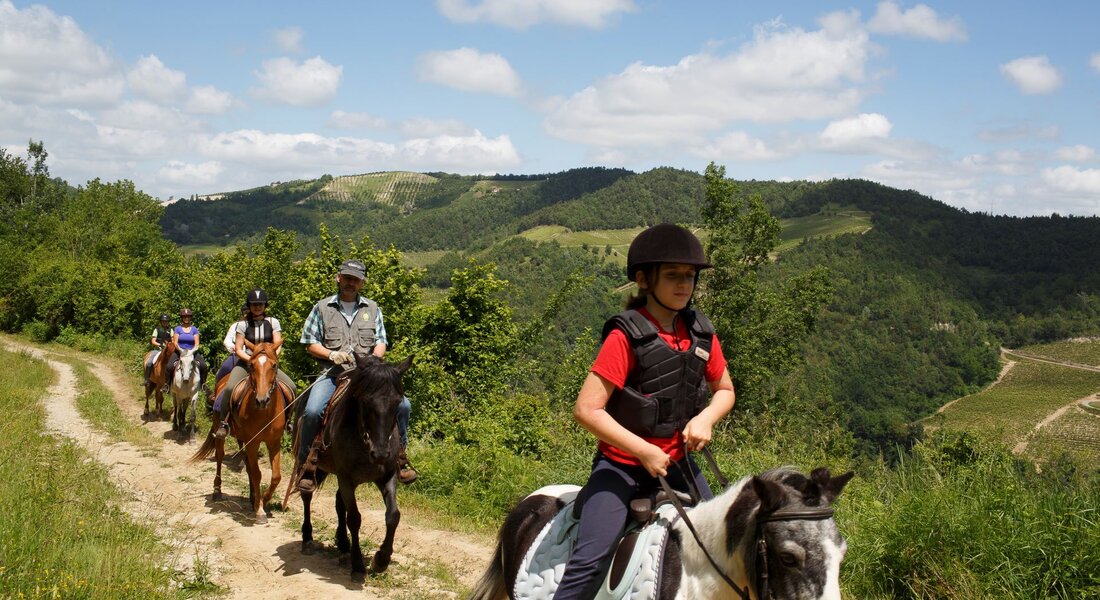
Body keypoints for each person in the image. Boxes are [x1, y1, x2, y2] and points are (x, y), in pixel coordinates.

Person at [552, 223, 736, 600]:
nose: (684, 284)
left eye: (689, 276)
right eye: (673, 276)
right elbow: (587, 410)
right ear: (643, 279)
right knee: (592, 557)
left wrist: (705, 418)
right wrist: (643, 450)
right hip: (621, 467)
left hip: (679, 465)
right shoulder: (625, 336)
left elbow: (725, 390)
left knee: (723, 546)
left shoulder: (701, 333)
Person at [297, 259, 417, 491]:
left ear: (362, 283)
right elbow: (310, 343)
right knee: (312, 411)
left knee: (404, 406)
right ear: (338, 278)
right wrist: (331, 355)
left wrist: (373, 361)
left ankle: (400, 457)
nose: (350, 283)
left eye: (355, 279)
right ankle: (307, 464)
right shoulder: (322, 307)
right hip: (333, 375)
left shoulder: (372, 309)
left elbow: (381, 341)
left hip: (367, 377)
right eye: (347, 278)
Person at [214, 289, 296, 439]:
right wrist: (252, 361)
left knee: (291, 386)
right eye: (254, 304)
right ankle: (224, 423)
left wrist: (271, 359)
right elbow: (238, 349)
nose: (257, 307)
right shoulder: (242, 325)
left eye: (260, 304)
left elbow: (278, 344)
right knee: (230, 387)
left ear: (265, 305)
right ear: (249, 306)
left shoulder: (273, 322)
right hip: (247, 363)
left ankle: (287, 420)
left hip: (268, 364)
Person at [165, 308, 210, 396]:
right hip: (179, 352)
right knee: (169, 366)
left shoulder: (194, 329)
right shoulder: (178, 329)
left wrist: (192, 351)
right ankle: (167, 385)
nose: (186, 318)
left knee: (204, 365)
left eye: (188, 317)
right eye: (184, 317)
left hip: (192, 352)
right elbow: (175, 342)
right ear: (182, 318)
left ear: (190, 318)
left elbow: (197, 344)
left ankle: (203, 384)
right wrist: (180, 350)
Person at [213, 303, 249, 385]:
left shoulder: (257, 325)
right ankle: (216, 391)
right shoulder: (235, 325)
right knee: (224, 368)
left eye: (248, 312)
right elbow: (227, 340)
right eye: (244, 312)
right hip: (236, 355)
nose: (246, 314)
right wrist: (233, 347)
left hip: (253, 355)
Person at [145, 313, 172, 386]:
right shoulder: (157, 329)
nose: (165, 322)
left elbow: (173, 340)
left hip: (168, 351)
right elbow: (153, 341)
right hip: (158, 350)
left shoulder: (171, 330)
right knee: (149, 362)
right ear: (161, 321)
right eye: (163, 321)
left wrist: (168, 346)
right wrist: (160, 345)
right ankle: (147, 379)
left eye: (166, 321)